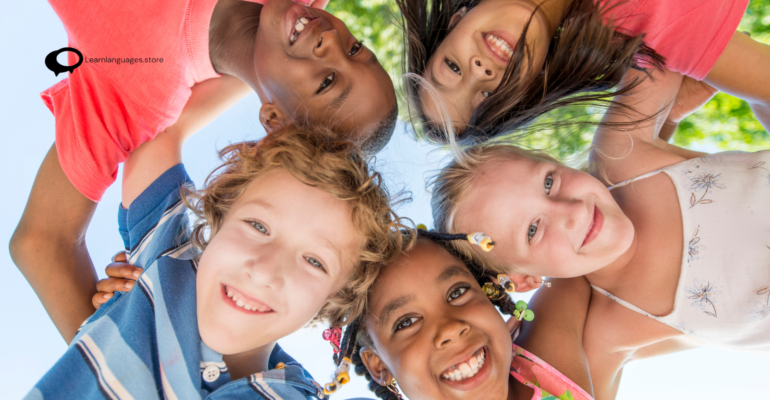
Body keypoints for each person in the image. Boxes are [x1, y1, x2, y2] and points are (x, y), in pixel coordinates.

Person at [11, 0, 399, 338]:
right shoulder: (299, 17)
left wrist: (119, 353)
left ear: (275, 122)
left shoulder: (133, 92)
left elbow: (41, 243)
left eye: (327, 81)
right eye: (355, 48)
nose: (329, 40)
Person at [429, 66, 770, 399]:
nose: (574, 211)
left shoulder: (622, 157)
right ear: (524, 280)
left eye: (549, 181)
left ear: (554, 160)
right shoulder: (613, 328)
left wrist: (698, 92)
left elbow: (665, 37)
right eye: (533, 230)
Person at [395, 0, 770, 144]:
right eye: (487, 96)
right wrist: (667, 117)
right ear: (531, 84)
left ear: (456, 19)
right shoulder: (652, 29)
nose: (480, 71)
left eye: (453, 67)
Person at [307, 232, 594, 400]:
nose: (449, 329)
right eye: (406, 322)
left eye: (457, 293)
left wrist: (519, 258)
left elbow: (588, 257)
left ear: (489, 293)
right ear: (378, 365)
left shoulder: (543, 365)